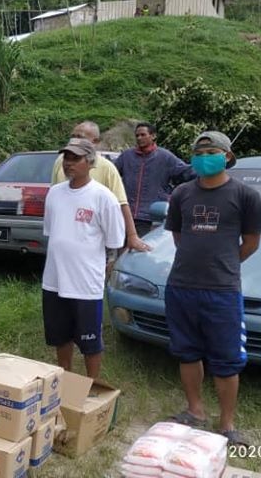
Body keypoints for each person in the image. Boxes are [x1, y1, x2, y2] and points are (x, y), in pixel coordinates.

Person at [164, 131, 261, 447]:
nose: (204, 155)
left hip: (222, 290)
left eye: (211, 150)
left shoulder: (246, 195)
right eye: (199, 150)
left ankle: (227, 425)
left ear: (227, 157)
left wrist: (223, 264)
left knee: (226, 359)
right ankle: (195, 411)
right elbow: (179, 237)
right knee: (187, 352)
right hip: (180, 286)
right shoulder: (181, 193)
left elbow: (251, 243)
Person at [42, 138, 125, 378]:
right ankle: (65, 380)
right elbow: (52, 233)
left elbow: (114, 242)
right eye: (66, 158)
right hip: (54, 281)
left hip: (85, 284)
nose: (69, 163)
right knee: (60, 337)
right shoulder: (55, 194)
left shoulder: (103, 197)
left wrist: (108, 268)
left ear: (90, 162)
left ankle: (92, 386)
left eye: (75, 158)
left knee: (90, 341)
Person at [52, 121, 152, 253]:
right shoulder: (60, 162)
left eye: (80, 137)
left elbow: (122, 204)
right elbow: (54, 198)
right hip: (63, 238)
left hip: (92, 241)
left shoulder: (107, 168)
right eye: (73, 136)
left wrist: (132, 236)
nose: (74, 141)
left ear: (96, 141)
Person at [113, 122, 195, 237]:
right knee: (122, 252)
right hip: (125, 214)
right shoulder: (126, 156)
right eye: (137, 135)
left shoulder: (165, 157)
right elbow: (112, 175)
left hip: (151, 217)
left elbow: (186, 173)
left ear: (153, 136)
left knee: (141, 251)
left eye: (143, 135)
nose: (139, 138)